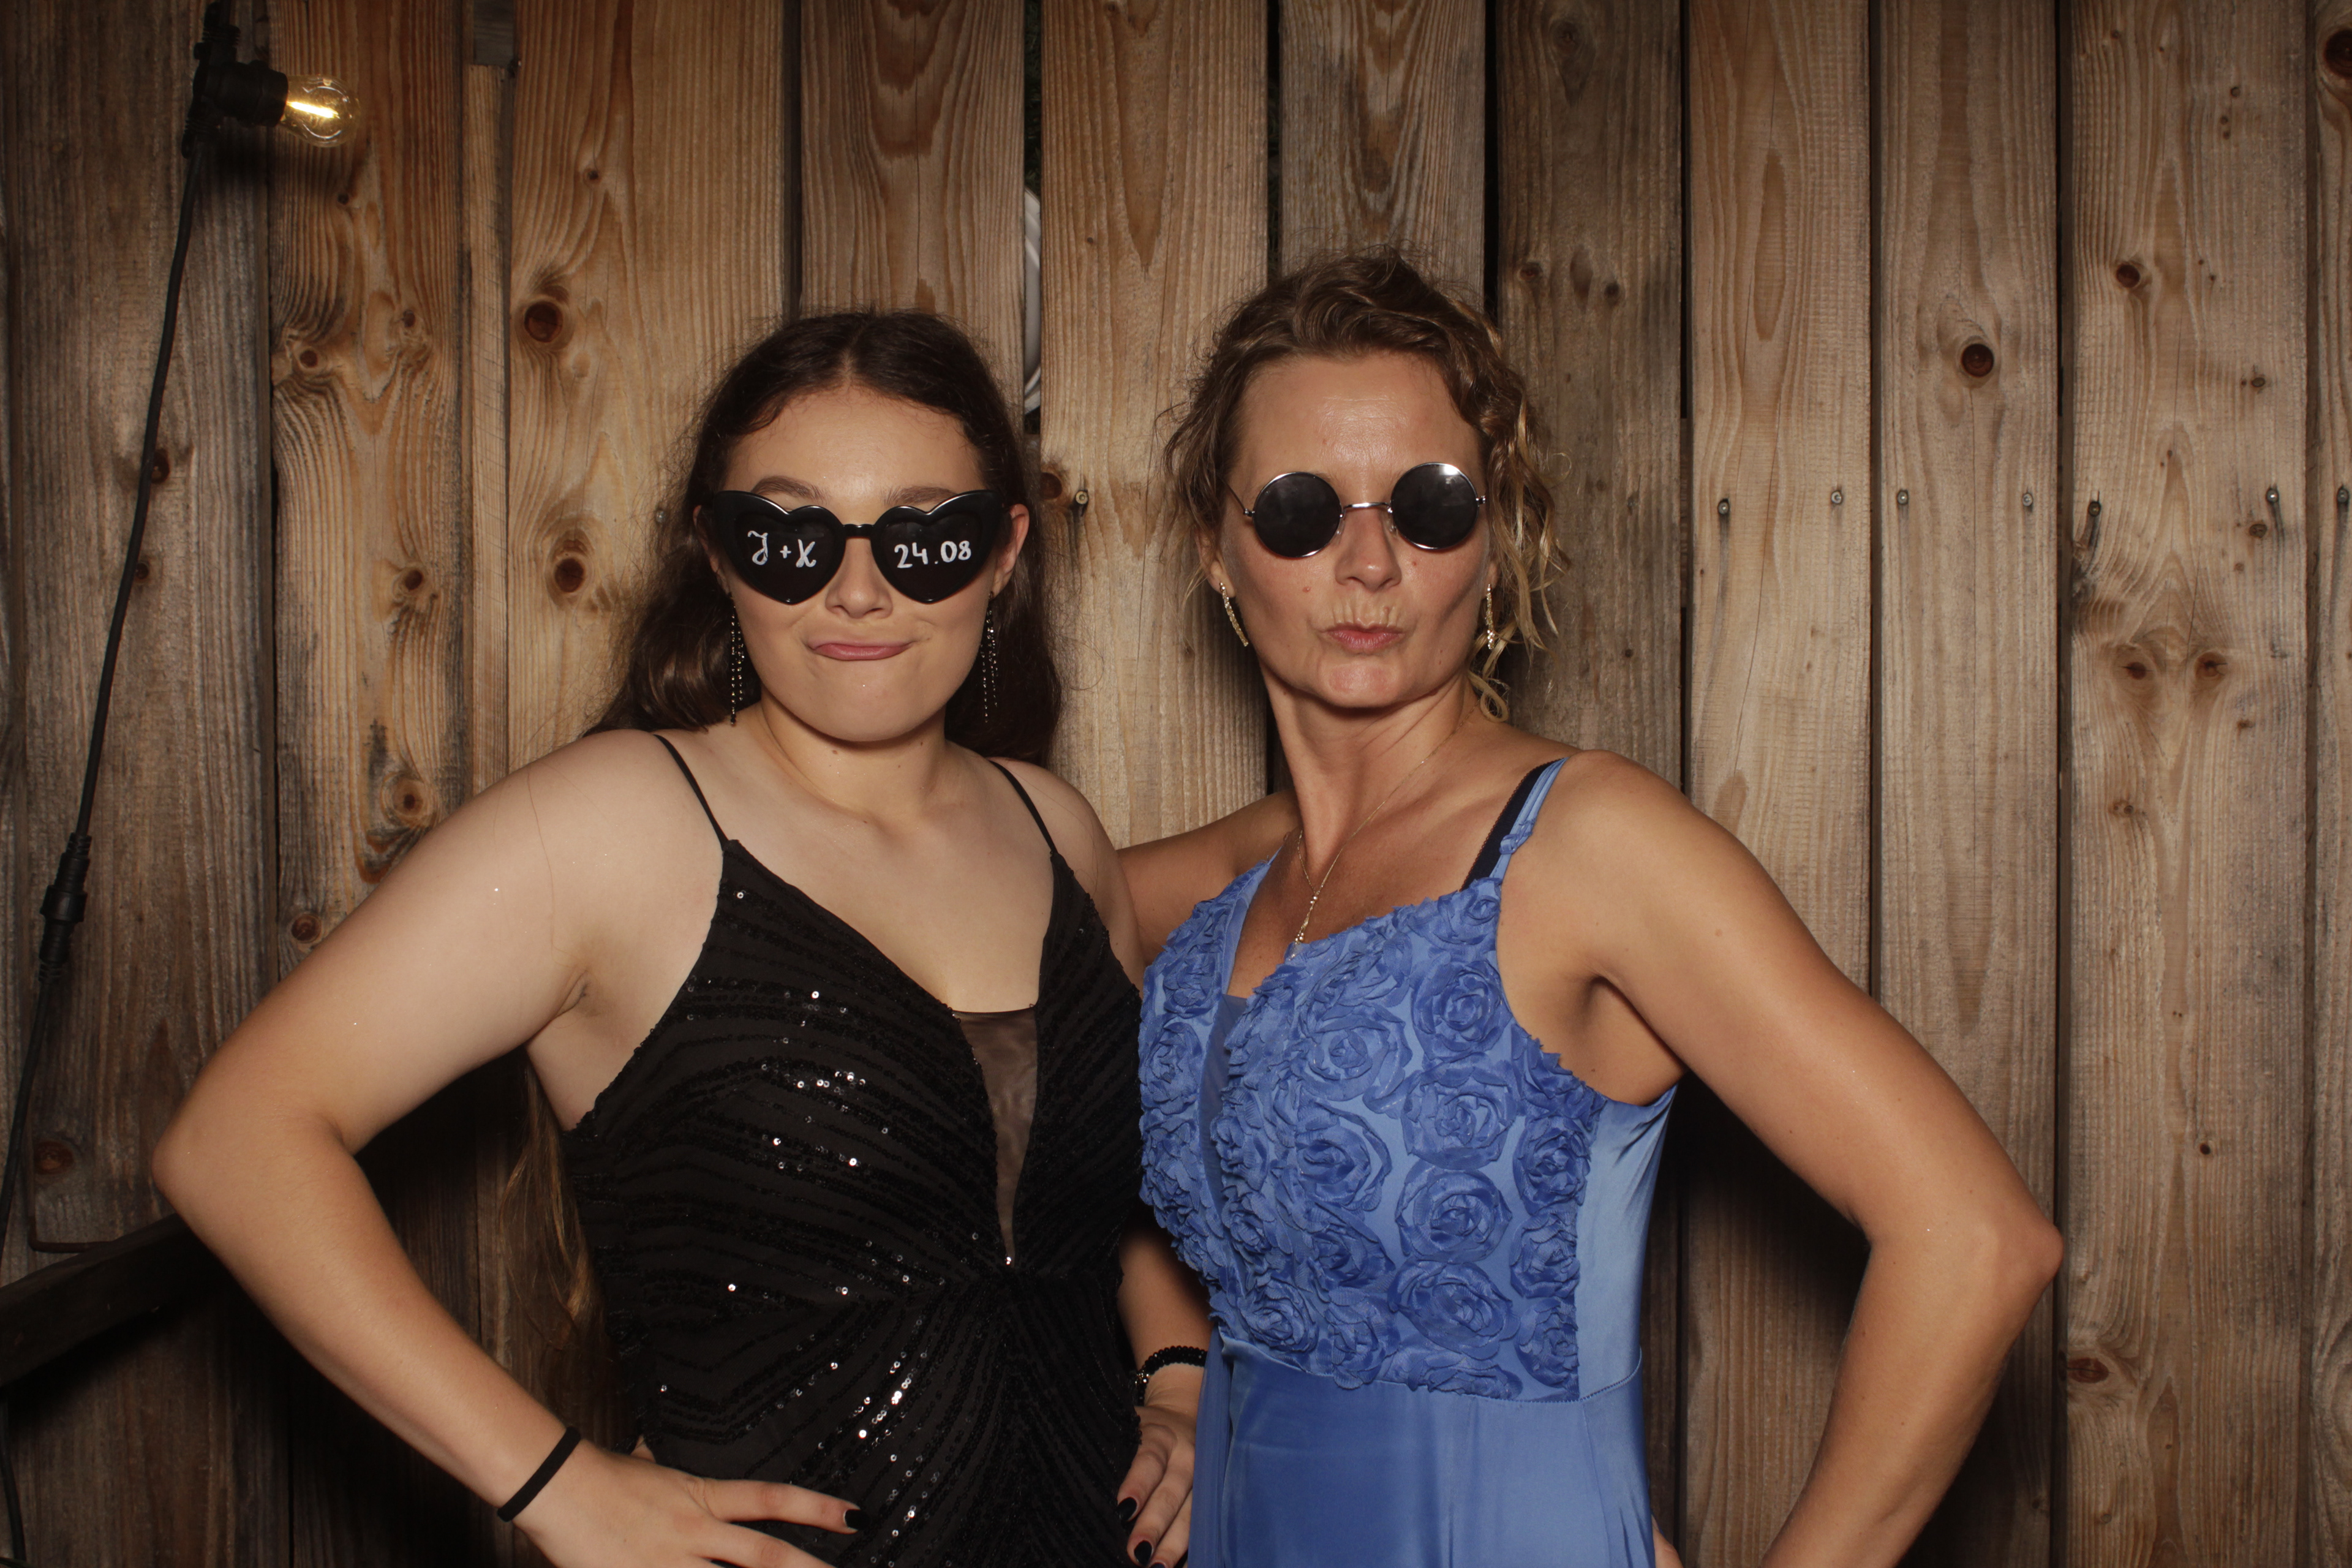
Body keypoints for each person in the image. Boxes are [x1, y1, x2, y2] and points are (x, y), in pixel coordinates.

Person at [156, 311, 1207, 1568]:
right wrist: (557, 1485)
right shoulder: (616, 825)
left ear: (1003, 552)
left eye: (924, 536)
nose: (857, 588)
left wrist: (1182, 1375)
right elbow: (235, 1140)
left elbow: (1095, 1190)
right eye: (790, 537)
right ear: (717, 553)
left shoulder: (1056, 828)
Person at [1120, 250, 2061, 1568]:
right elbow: (974, 918)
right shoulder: (1232, 882)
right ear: (1217, 550)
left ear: (1495, 538)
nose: (1370, 561)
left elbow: (1977, 1238)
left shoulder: (1588, 844)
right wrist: (1174, 1371)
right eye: (1300, 509)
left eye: (1430, 506)